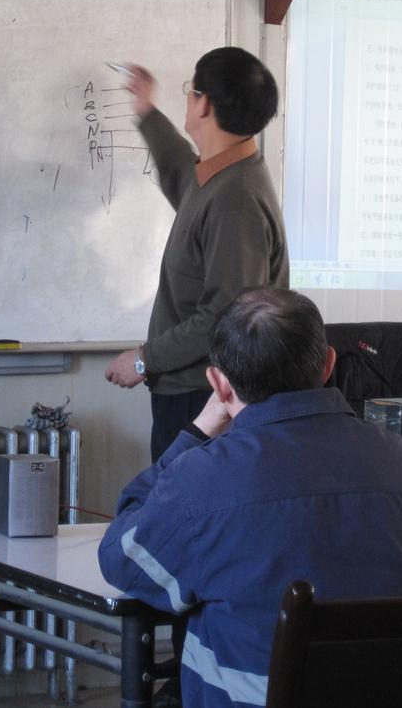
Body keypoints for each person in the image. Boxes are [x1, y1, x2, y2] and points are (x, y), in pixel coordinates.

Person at [99, 287, 402, 708]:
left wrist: (196, 431)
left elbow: (122, 559)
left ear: (218, 383)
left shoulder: (201, 479)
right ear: (329, 363)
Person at [103, 47, 288, 463]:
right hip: (193, 392)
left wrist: (143, 361)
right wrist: (146, 109)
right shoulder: (220, 173)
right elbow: (182, 172)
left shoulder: (235, 199)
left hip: (206, 402)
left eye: (191, 90)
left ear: (203, 104)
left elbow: (226, 317)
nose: (188, 99)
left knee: (182, 501)